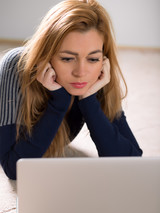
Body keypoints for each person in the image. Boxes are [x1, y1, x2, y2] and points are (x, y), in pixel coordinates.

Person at [0, 0, 142, 180]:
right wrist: (58, 103)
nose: (81, 73)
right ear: (46, 55)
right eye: (67, 58)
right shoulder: (16, 66)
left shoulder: (97, 76)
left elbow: (133, 163)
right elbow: (14, 168)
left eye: (92, 59)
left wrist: (89, 100)